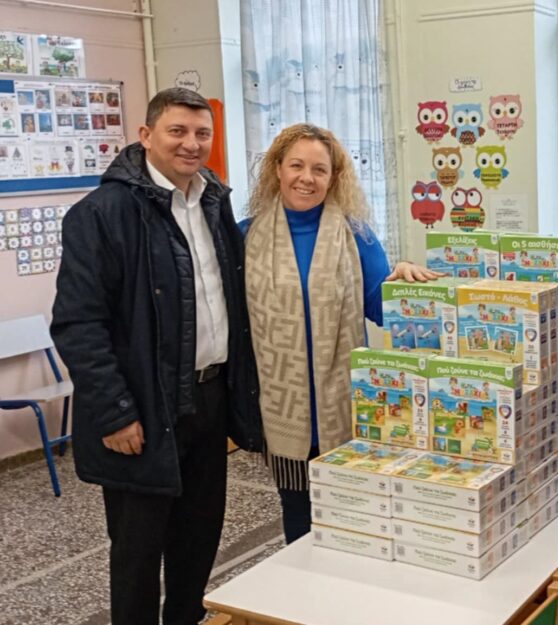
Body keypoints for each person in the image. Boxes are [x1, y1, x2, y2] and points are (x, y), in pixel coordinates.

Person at [51, 87, 262, 625]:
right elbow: (79, 324)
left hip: (209, 400)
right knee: (138, 553)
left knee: (198, 539)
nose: (191, 144)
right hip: (142, 409)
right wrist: (116, 412)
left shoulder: (214, 202)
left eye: (202, 133)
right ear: (146, 135)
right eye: (177, 131)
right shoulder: (100, 215)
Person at [241, 123, 441, 543]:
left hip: (345, 406)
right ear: (277, 169)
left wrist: (403, 282)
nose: (307, 178)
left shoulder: (357, 235)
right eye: (296, 165)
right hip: (281, 409)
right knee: (298, 516)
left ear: (334, 177)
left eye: (320, 169)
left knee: (353, 519)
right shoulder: (245, 236)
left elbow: (381, 307)